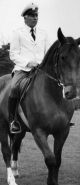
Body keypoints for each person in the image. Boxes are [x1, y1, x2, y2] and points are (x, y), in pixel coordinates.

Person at [8, 2, 49, 133]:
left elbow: (47, 52)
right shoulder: (17, 32)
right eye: (32, 15)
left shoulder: (44, 33)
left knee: (57, 84)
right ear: (25, 17)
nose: (35, 18)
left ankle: (61, 116)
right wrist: (28, 63)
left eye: (36, 15)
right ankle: (12, 121)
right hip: (23, 70)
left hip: (41, 70)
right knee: (14, 88)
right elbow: (13, 54)